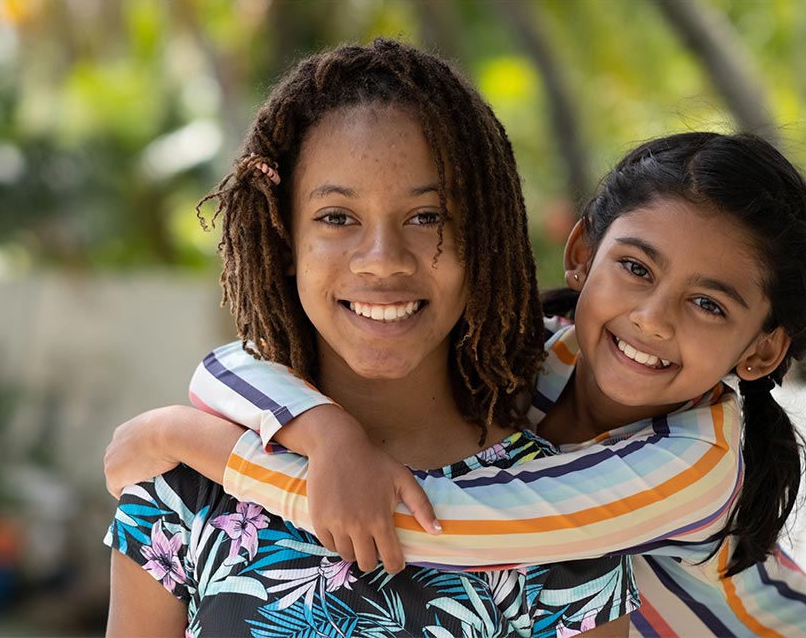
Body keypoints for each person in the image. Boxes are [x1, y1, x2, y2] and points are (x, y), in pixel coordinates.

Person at [108, 131, 806, 636]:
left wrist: (185, 439)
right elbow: (240, 361)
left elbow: (435, 526)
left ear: (759, 351)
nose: (651, 318)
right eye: (636, 268)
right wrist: (323, 432)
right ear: (581, 253)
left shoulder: (695, 462)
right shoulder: (532, 353)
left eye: (707, 304)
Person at [103, 39, 639, 638]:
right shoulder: (186, 491)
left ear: (480, 240)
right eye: (337, 217)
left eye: (426, 217)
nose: (382, 261)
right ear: (285, 243)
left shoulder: (565, 515)